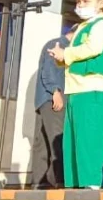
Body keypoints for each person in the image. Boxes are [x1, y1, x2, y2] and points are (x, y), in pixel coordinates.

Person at [49, 0, 103, 190]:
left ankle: (91, 183)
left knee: (90, 137)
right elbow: (75, 55)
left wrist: (66, 53)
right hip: (76, 89)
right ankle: (75, 183)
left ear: (101, 3)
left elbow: (92, 49)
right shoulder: (81, 27)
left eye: (86, 0)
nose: (80, 5)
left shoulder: (102, 26)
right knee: (73, 139)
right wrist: (59, 57)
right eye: (78, 1)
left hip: (93, 88)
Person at [31, 27, 72, 189]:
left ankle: (40, 181)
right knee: (57, 138)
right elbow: (48, 71)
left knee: (42, 141)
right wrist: (56, 91)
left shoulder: (59, 44)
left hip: (45, 99)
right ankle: (58, 179)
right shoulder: (59, 45)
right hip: (54, 98)